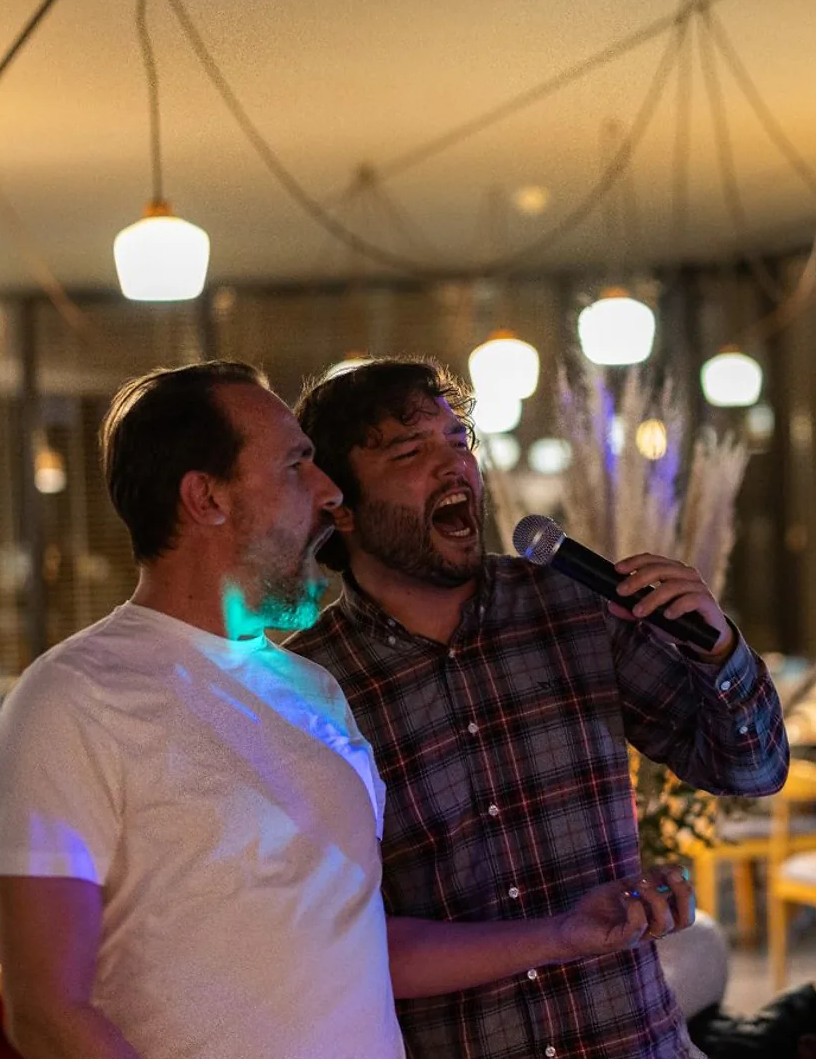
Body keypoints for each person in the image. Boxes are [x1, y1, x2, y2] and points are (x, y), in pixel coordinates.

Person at [0, 361, 680, 1059]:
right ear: (206, 499)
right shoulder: (73, 699)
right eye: (296, 467)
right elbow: (47, 1014)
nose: (328, 492)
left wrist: (560, 934)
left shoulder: (313, 691)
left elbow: (362, 941)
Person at [288, 358, 790, 1059]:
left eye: (459, 439)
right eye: (410, 450)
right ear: (338, 504)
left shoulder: (574, 607)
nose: (453, 464)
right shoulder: (310, 686)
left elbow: (753, 771)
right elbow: (332, 944)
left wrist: (717, 649)